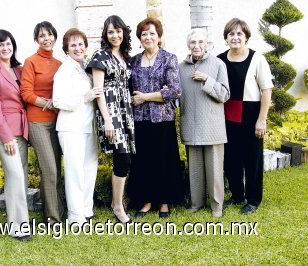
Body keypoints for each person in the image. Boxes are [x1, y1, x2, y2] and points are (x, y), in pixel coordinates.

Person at [126, 17, 183, 219]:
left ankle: (164, 201)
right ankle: (147, 200)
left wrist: (145, 97)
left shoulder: (169, 58)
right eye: (144, 34)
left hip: (163, 119)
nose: (148, 37)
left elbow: (175, 91)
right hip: (140, 119)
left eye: (152, 33)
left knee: (163, 160)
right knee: (144, 160)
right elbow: (130, 90)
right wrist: (158, 93)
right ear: (139, 38)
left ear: (159, 36)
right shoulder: (133, 61)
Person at [217, 18, 273, 214]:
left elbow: (266, 90)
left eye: (239, 33)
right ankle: (237, 195)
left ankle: (253, 199)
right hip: (227, 116)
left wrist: (261, 119)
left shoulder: (257, 59)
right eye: (231, 34)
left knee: (252, 160)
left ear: (246, 37)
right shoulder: (219, 60)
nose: (235, 37)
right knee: (231, 160)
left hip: (250, 115)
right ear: (226, 38)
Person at [0, 29, 31, 241]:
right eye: (0, 45)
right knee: (16, 175)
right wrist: (6, 136)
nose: (5, 48)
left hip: (22, 127)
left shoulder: (18, 69)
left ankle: (14, 222)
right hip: (4, 131)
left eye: (8, 44)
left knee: (18, 177)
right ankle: (19, 226)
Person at [86, 15, 135, 223]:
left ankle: (118, 202)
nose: (115, 35)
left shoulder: (125, 56)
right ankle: (117, 206)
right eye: (111, 32)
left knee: (126, 158)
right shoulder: (100, 56)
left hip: (126, 111)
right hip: (111, 112)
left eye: (118, 31)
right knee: (122, 157)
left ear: (123, 32)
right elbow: (98, 91)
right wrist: (107, 120)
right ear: (106, 35)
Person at [178, 28, 230, 217]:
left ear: (206, 44)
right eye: (193, 42)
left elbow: (224, 95)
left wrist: (207, 79)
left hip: (212, 127)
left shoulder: (218, 64)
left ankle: (217, 206)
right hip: (190, 125)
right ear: (188, 45)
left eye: (201, 42)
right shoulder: (180, 67)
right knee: (195, 170)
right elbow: (177, 95)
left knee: (215, 170)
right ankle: (196, 203)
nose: (197, 46)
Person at [53, 28, 101, 225]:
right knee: (75, 171)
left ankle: (86, 210)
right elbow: (58, 100)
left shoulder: (85, 67)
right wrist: (84, 97)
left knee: (90, 168)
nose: (77, 47)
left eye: (80, 44)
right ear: (66, 50)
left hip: (88, 126)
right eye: (73, 45)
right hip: (71, 127)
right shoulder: (64, 70)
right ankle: (75, 217)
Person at [21, 21, 64, 224]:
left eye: (49, 34)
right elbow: (26, 93)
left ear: (54, 37)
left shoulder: (59, 64)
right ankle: (52, 218)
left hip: (57, 122)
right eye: (42, 35)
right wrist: (49, 104)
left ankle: (60, 211)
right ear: (36, 39)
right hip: (37, 121)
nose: (46, 38)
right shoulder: (30, 62)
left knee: (57, 167)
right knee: (49, 169)